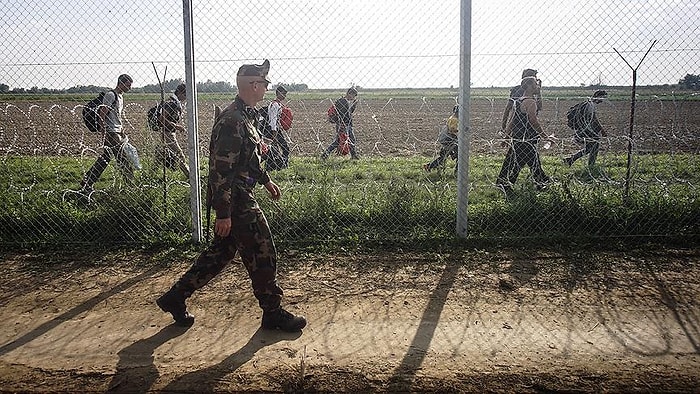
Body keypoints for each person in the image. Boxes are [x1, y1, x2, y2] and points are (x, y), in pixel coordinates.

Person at [156, 59, 307, 332]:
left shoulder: (245, 115)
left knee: (220, 254)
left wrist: (266, 180)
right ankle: (272, 312)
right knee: (264, 251)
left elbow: (246, 159)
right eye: (263, 84)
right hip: (235, 199)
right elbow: (221, 171)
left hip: (239, 192)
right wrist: (224, 212)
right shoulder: (232, 120)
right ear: (253, 85)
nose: (265, 89)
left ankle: (175, 297)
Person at [496, 76, 552, 194]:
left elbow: (512, 121)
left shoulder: (519, 101)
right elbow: (533, 121)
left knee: (525, 161)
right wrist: (545, 136)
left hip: (518, 137)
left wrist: (506, 137)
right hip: (528, 138)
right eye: (535, 84)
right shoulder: (531, 102)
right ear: (529, 86)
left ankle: (538, 183)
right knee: (527, 161)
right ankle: (506, 184)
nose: (538, 86)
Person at [80, 74, 134, 192]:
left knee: (105, 159)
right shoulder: (111, 95)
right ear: (121, 83)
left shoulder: (120, 96)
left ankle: (87, 181)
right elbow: (102, 114)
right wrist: (103, 134)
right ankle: (131, 186)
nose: (130, 88)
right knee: (123, 159)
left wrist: (122, 130)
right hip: (111, 133)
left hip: (117, 131)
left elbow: (116, 115)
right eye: (128, 85)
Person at [563, 90, 608, 168]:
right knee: (594, 146)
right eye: (603, 98)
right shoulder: (591, 105)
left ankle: (570, 159)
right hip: (587, 130)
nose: (602, 101)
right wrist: (601, 130)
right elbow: (593, 119)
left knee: (589, 148)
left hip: (584, 129)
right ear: (598, 97)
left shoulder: (587, 103)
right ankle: (591, 165)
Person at [155, 83, 190, 179]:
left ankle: (151, 175)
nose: (186, 98)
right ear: (179, 93)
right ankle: (191, 177)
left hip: (165, 132)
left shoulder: (173, 102)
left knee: (160, 153)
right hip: (167, 133)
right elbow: (162, 119)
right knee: (180, 155)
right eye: (185, 95)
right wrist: (176, 126)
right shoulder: (172, 103)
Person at [321, 87, 359, 160]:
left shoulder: (346, 101)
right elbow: (342, 114)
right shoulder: (342, 101)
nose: (354, 97)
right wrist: (342, 126)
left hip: (347, 124)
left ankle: (353, 155)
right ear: (349, 94)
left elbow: (349, 113)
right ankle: (325, 154)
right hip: (343, 124)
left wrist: (353, 105)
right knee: (339, 141)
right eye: (353, 95)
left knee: (350, 139)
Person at [263, 85, 291, 170]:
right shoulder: (275, 105)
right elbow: (273, 120)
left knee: (272, 149)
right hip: (273, 130)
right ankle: (282, 165)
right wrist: (274, 134)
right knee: (284, 148)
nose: (284, 96)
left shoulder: (278, 104)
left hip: (274, 129)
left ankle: (271, 166)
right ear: (278, 93)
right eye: (283, 94)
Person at [424, 105, 459, 172]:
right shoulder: (455, 119)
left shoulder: (452, 117)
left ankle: (429, 166)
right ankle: (458, 171)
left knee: (444, 157)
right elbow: (452, 129)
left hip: (447, 139)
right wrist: (460, 131)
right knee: (459, 155)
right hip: (450, 140)